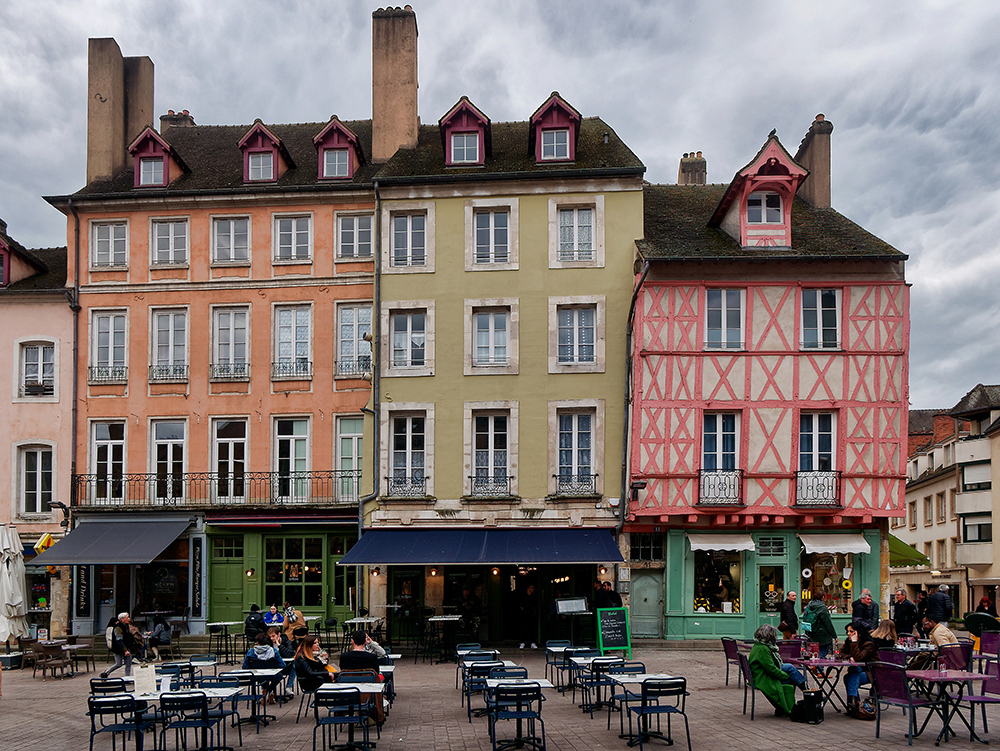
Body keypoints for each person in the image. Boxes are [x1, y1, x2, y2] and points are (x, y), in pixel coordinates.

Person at [747, 624, 807, 717]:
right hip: (763, 677)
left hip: (761, 674)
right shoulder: (763, 649)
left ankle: (806, 691)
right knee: (791, 675)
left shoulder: (759, 645)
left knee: (789, 668)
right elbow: (771, 669)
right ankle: (807, 693)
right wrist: (785, 676)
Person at [838, 622, 877, 717]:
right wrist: (850, 656)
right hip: (858, 670)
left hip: (870, 672)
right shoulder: (849, 642)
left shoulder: (869, 644)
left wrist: (854, 642)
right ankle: (856, 705)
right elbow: (841, 653)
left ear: (858, 632)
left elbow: (858, 658)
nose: (848, 634)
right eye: (847, 631)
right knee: (851, 673)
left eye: (851, 631)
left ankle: (854, 705)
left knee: (849, 677)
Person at [243, 631, 286, 703]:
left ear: (258, 642)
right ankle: (270, 690)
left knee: (262, 677)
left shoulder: (251, 652)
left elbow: (245, 666)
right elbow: (282, 665)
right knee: (279, 676)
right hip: (273, 675)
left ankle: (265, 691)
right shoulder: (274, 651)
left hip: (257, 676)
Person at [102, 612, 143, 678]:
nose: (128, 619)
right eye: (127, 617)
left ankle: (128, 677)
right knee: (118, 664)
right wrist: (125, 650)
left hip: (126, 646)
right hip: (118, 648)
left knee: (128, 662)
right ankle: (105, 673)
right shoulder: (118, 627)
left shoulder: (125, 626)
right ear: (122, 619)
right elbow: (119, 640)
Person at [269, 626, 297, 695]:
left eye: (273, 636)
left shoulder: (287, 642)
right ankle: (269, 690)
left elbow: (290, 654)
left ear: (279, 634)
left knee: (295, 666)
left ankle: (288, 687)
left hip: (285, 665)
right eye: (270, 637)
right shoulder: (268, 642)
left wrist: (279, 645)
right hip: (273, 666)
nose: (272, 638)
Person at [518, 584, 538, 650]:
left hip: (531, 614)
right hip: (524, 614)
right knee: (523, 628)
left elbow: (535, 605)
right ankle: (522, 642)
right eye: (531, 588)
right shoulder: (523, 596)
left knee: (532, 628)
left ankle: (532, 643)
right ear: (528, 588)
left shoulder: (534, 596)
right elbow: (520, 605)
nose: (532, 589)